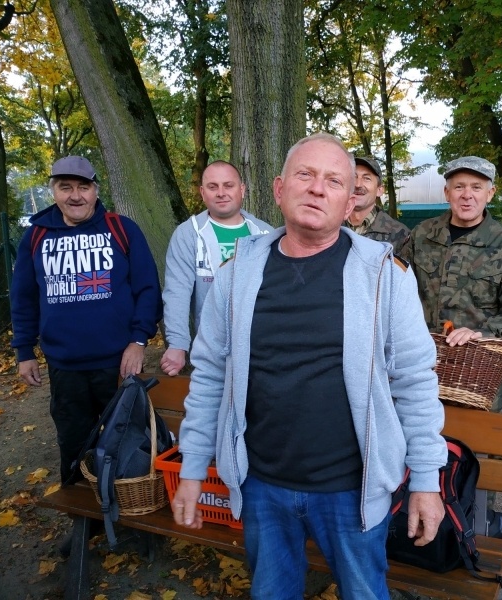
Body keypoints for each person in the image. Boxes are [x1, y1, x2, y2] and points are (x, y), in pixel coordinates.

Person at [171, 133, 447, 599]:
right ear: (280, 190)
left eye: (334, 181)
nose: (318, 188)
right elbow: (211, 377)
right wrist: (193, 469)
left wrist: (425, 480)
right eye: (306, 175)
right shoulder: (237, 274)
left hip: (352, 489)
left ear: (348, 204)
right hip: (262, 486)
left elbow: (415, 382)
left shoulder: (383, 275)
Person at [10, 155, 163, 484]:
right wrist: (24, 351)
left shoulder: (121, 230)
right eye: (66, 187)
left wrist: (138, 341)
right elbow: (23, 299)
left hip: (119, 363)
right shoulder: (36, 237)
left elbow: (148, 289)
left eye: (83, 187)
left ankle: (131, 522)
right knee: (74, 445)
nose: (75, 196)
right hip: (65, 367)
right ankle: (85, 523)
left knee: (131, 442)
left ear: (95, 191)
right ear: (53, 191)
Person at [409, 156, 502, 414]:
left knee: (480, 449)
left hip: (479, 378)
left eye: (476, 187)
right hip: (421, 370)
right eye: (459, 187)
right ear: (447, 193)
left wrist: (483, 333)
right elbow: (396, 292)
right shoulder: (421, 235)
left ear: (490, 194)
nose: (467, 195)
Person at [160, 160, 271, 376]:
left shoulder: (265, 234)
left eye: (228, 185)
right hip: (211, 348)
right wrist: (178, 343)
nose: (221, 193)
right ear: (202, 192)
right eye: (213, 187)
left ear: (242, 189)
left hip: (260, 347)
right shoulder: (189, 234)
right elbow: (177, 292)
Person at [345, 156, 411, 257]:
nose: (358, 184)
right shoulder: (328, 226)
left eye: (367, 178)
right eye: (353, 177)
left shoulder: (400, 234)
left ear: (380, 190)